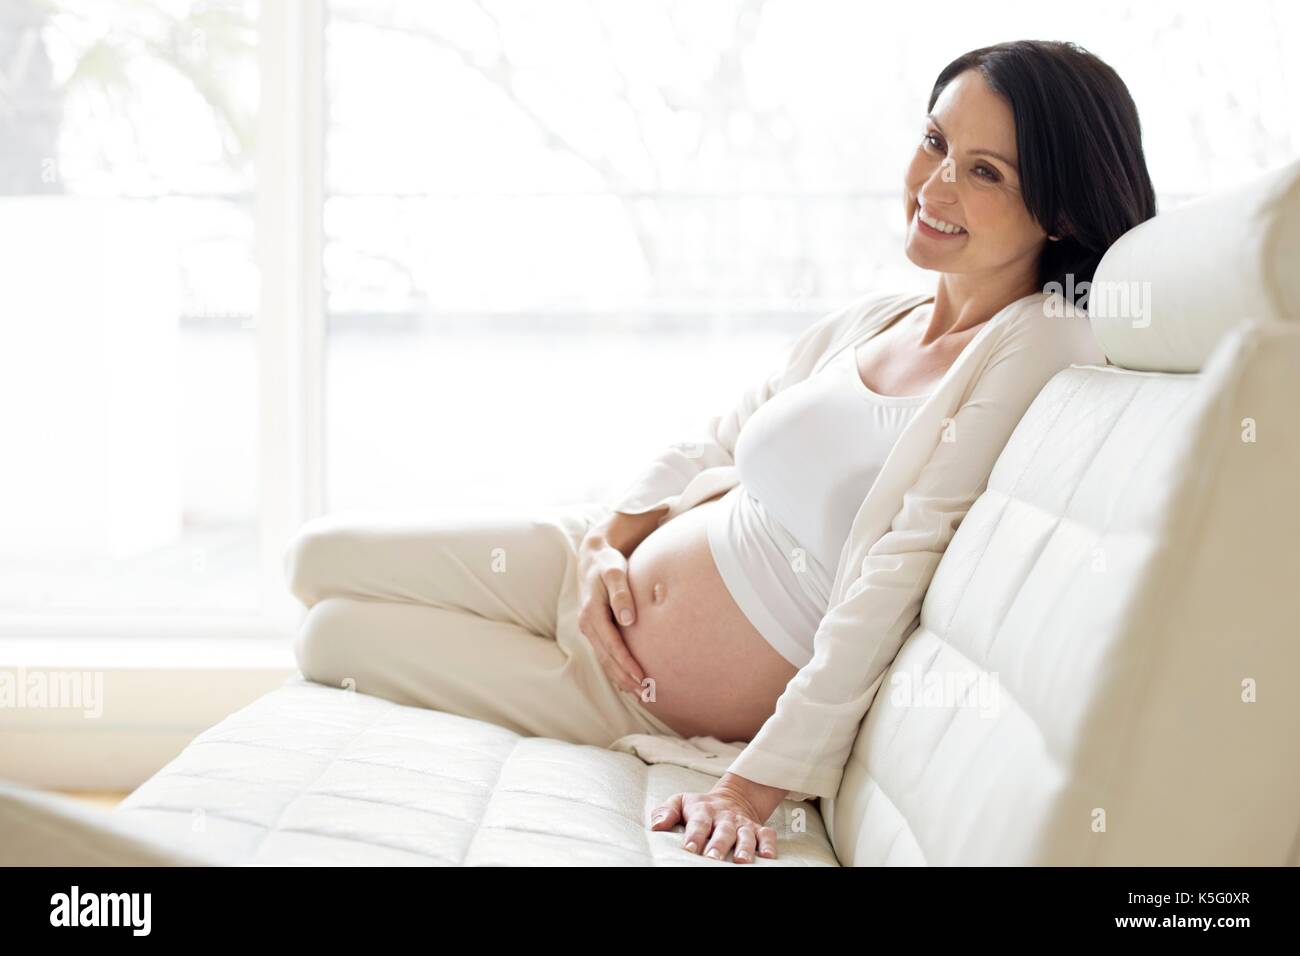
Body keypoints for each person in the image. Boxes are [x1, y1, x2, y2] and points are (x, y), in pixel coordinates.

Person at [286, 39, 1156, 865]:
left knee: (334, 640)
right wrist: (609, 538)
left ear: (1064, 206)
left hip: (621, 687)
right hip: (586, 564)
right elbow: (716, 437)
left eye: (984, 171)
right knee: (316, 556)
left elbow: (898, 571)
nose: (934, 183)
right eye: (934, 141)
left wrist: (750, 788)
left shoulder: (1040, 337)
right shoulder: (875, 319)